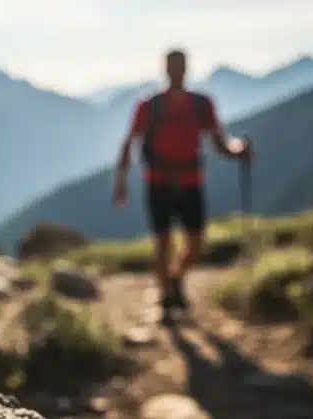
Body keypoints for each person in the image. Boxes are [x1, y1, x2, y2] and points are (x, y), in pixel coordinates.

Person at [112, 49, 251, 326]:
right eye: (173, 66)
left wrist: (239, 150)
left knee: (196, 243)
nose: (176, 71)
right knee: (163, 243)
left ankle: (174, 279)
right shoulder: (149, 105)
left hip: (191, 181)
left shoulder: (201, 104)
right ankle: (166, 297)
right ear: (166, 69)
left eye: (180, 66)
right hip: (157, 182)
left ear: (186, 68)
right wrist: (121, 181)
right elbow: (130, 142)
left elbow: (219, 142)